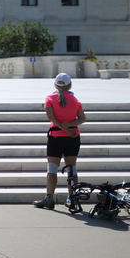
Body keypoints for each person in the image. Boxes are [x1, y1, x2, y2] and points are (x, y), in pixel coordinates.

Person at [34, 72, 86, 210]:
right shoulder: (76, 101)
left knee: (52, 169)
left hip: (55, 137)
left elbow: (51, 118)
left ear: (55, 84)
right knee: (72, 169)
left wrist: (63, 127)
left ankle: (49, 198)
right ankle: (72, 198)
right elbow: (82, 119)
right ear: (70, 85)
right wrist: (69, 127)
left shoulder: (50, 98)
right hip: (73, 138)